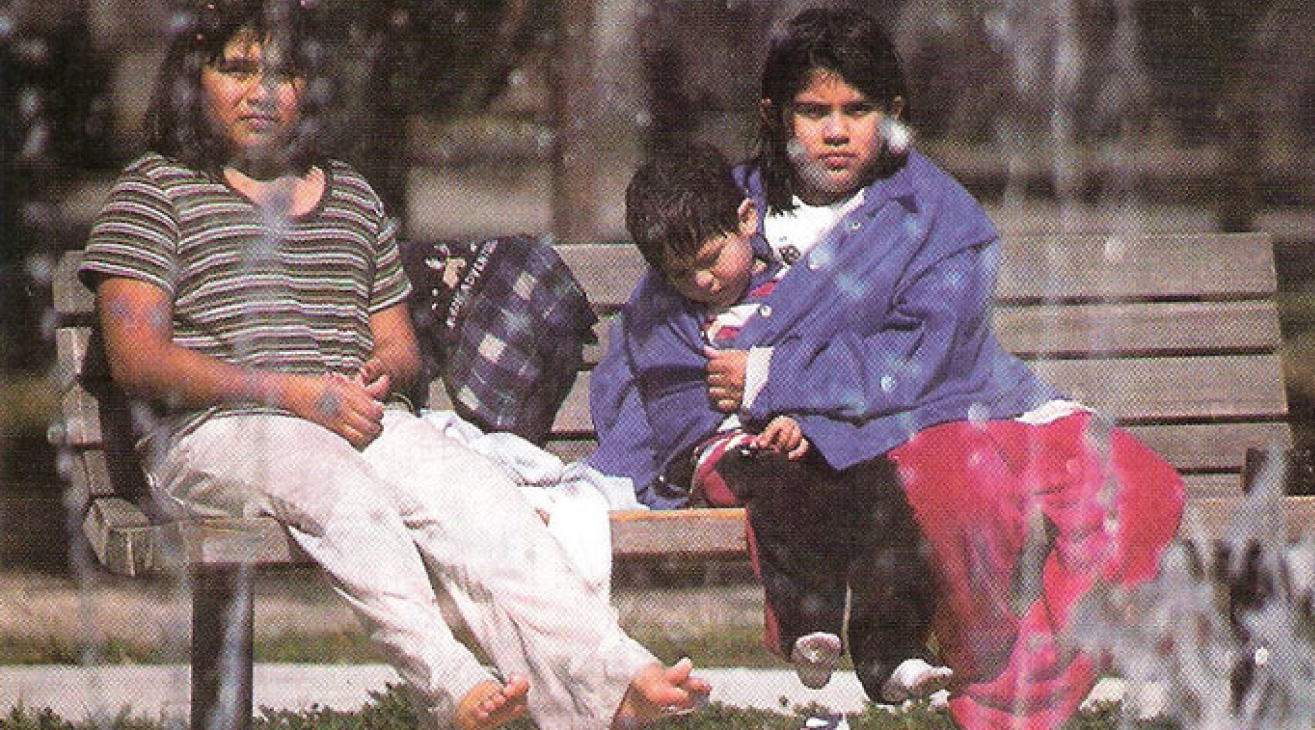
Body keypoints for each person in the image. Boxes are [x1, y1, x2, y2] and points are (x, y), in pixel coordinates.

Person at [76, 2, 709, 728]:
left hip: (351, 420)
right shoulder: (154, 191)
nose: (262, 92)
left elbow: (398, 347)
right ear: (194, 81)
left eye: (284, 74)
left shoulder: (350, 196)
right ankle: (448, 683)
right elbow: (137, 360)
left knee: (479, 497)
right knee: (331, 481)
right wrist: (293, 395)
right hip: (216, 431)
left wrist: (381, 374)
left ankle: (617, 674)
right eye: (238, 70)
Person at [598, 8, 1185, 729]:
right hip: (876, 444)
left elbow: (924, 359)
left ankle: (1018, 698)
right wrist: (721, 432)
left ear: (894, 112)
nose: (837, 131)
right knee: (964, 488)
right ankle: (995, 686)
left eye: (859, 109)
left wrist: (772, 377)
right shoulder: (716, 211)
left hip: (960, 398)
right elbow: (660, 344)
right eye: (813, 111)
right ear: (773, 114)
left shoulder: (939, 215)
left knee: (1142, 492)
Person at [591, 143, 953, 703]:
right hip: (729, 453)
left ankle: (893, 649)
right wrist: (759, 423)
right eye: (682, 274)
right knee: (782, 484)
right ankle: (808, 624)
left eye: (712, 259)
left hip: (811, 439)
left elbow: (830, 365)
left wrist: (805, 419)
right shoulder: (667, 318)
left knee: (880, 487)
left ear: (746, 219)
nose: (704, 282)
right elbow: (675, 398)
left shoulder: (799, 292)